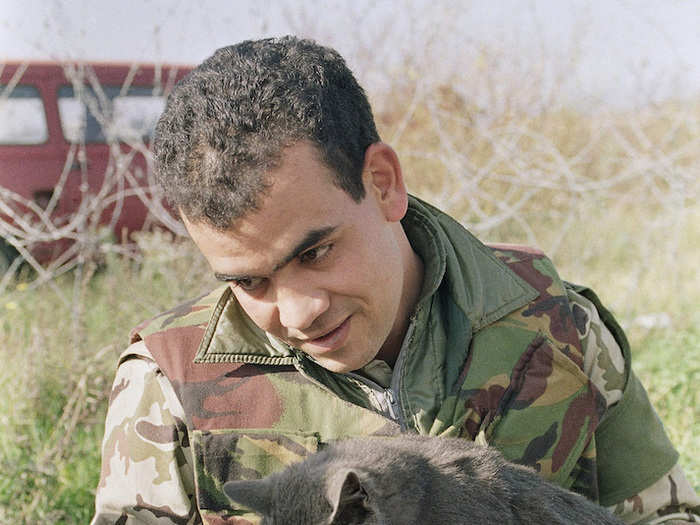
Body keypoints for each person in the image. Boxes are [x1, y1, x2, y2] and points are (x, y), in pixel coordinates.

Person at [91, 36, 699, 525]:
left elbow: (665, 516)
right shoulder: (166, 383)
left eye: (317, 252)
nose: (299, 313)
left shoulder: (556, 325)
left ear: (382, 182)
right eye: (250, 283)